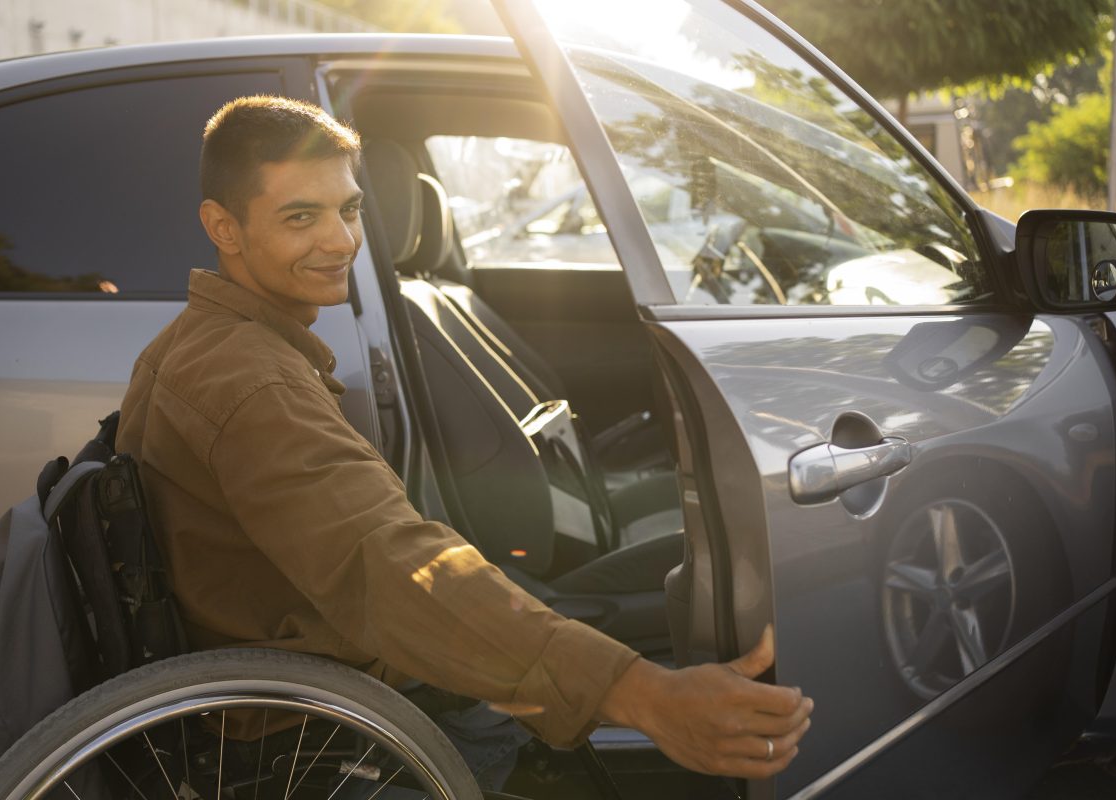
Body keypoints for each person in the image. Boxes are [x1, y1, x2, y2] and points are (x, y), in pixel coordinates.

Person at [115, 95, 813, 788]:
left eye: (350, 210)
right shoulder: (252, 384)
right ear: (223, 227)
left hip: (312, 685)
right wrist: (644, 695)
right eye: (301, 217)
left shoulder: (206, 347)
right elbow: (389, 566)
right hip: (315, 728)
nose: (342, 242)